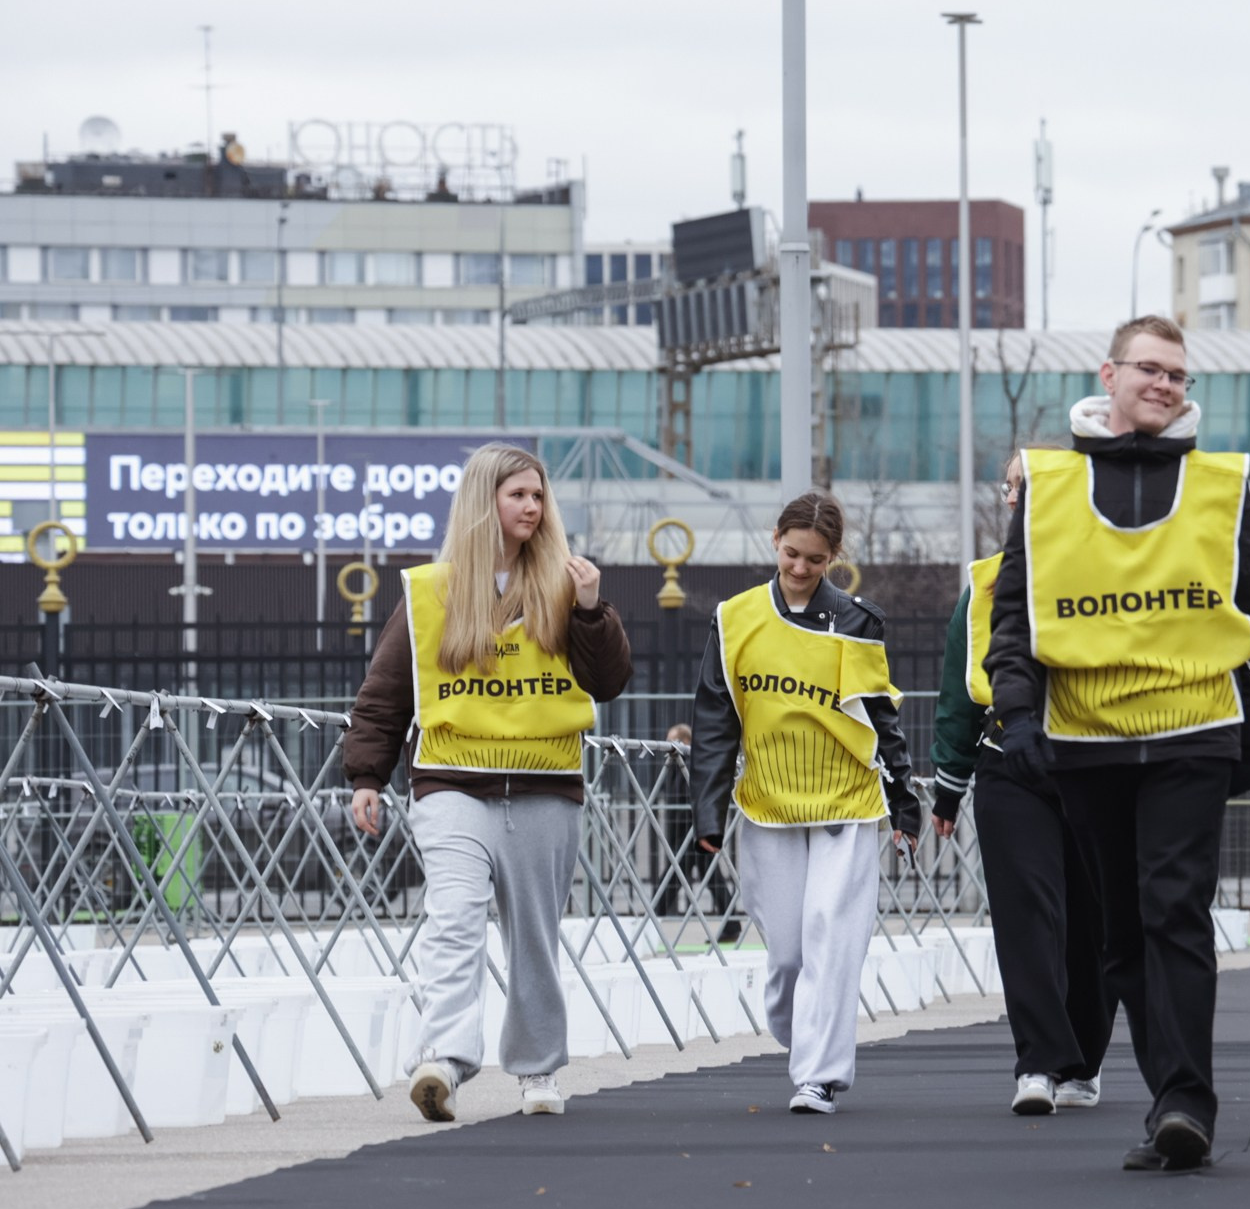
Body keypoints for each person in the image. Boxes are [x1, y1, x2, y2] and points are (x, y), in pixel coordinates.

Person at [984, 315, 1250, 1172]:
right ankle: (1170, 1100)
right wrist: (1021, 716)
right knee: (1120, 932)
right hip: (1087, 739)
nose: (1165, 384)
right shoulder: (1049, 486)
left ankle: (1188, 1101)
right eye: (1149, 369)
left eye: (1179, 375)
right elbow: (1017, 616)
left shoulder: (1221, 486)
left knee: (1175, 913)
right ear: (1109, 375)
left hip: (1194, 733)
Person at [345, 443, 632, 1123]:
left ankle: (537, 1072)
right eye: (517, 495)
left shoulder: (567, 586)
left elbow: (610, 680)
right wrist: (367, 775)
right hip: (450, 782)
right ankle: (443, 1058)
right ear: (485, 501)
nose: (532, 506)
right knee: (453, 918)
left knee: (534, 934)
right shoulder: (432, 592)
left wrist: (592, 608)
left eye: (538, 495)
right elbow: (386, 691)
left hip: (545, 781)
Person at [689, 492, 921, 1116]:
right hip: (769, 804)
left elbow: (880, 715)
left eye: (815, 561)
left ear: (833, 558)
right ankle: (805, 1044)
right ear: (775, 541)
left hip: (847, 800)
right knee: (788, 952)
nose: (799, 568)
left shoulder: (856, 620)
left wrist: (903, 797)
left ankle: (818, 1075)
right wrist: (706, 810)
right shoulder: (733, 619)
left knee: (832, 937)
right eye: (792, 554)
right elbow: (715, 720)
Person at [931, 451, 1117, 1117]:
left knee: (1096, 919)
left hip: (1094, 761)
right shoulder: (981, 586)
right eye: (1012, 485)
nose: (1017, 496)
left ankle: (1084, 1061)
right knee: (1026, 912)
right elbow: (959, 690)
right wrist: (948, 787)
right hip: (1009, 764)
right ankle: (1037, 1060)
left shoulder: (1109, 574)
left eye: (1031, 485)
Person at [657, 723, 739, 944]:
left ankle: (650, 920)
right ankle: (732, 924)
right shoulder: (678, 764)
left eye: (672, 740)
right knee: (709, 877)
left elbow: (686, 797)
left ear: (684, 742)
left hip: (691, 832)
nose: (667, 745)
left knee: (673, 877)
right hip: (689, 831)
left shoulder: (690, 764)